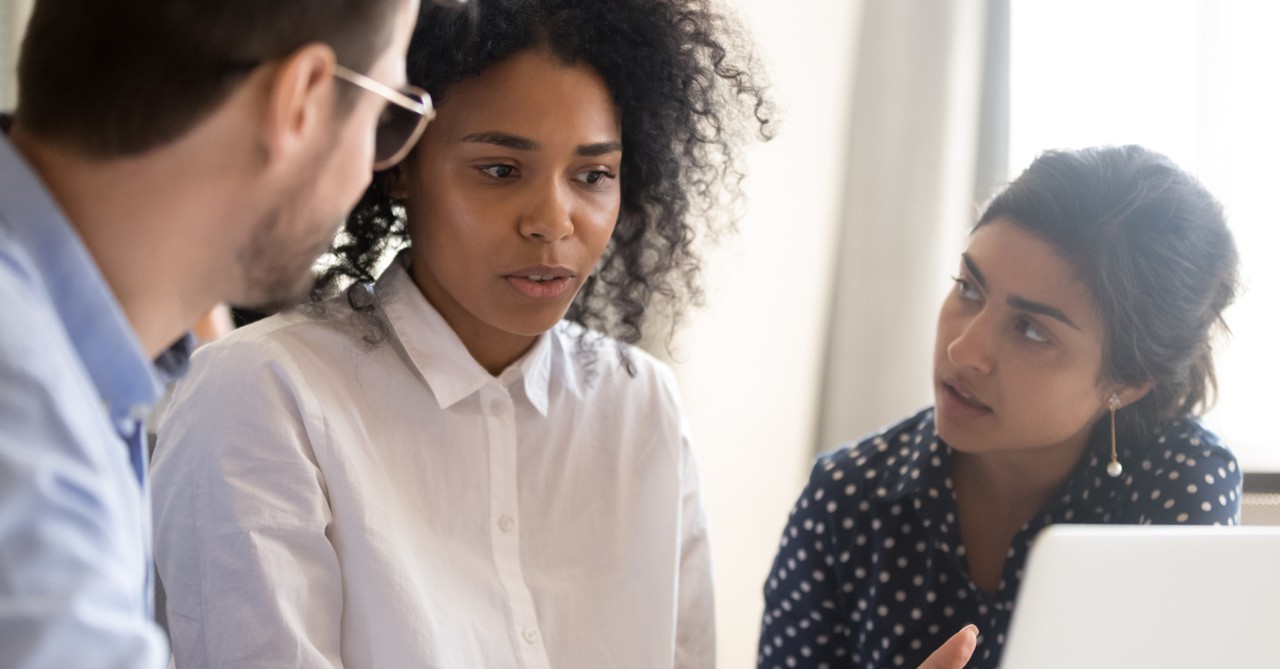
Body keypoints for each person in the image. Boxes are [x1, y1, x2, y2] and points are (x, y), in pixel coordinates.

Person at [150, 0, 772, 666]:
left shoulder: (641, 403)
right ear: (400, 165)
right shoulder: (263, 395)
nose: (552, 221)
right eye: (501, 170)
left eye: (593, 175)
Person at [758, 145, 1241, 669]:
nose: (963, 350)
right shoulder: (846, 496)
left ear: (1127, 383)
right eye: (968, 288)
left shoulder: (1180, 484)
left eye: (1031, 330)